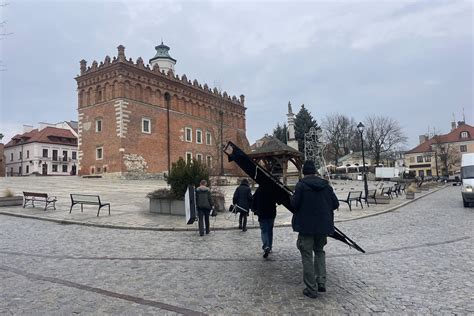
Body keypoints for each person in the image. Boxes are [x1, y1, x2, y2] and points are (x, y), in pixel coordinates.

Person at [291, 160, 339, 299]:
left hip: (306, 227)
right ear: (315, 172)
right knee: (319, 252)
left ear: (304, 172)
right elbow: (335, 203)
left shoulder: (301, 186)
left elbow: (294, 205)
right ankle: (321, 281)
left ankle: (311, 288)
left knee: (306, 255)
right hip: (323, 226)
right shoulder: (326, 185)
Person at [252, 184, 278, 258]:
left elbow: (253, 200)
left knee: (264, 231)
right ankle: (269, 246)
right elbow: (279, 200)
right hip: (271, 213)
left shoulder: (259, 190)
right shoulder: (273, 189)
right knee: (270, 230)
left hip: (262, 213)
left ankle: (266, 246)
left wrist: (254, 209)